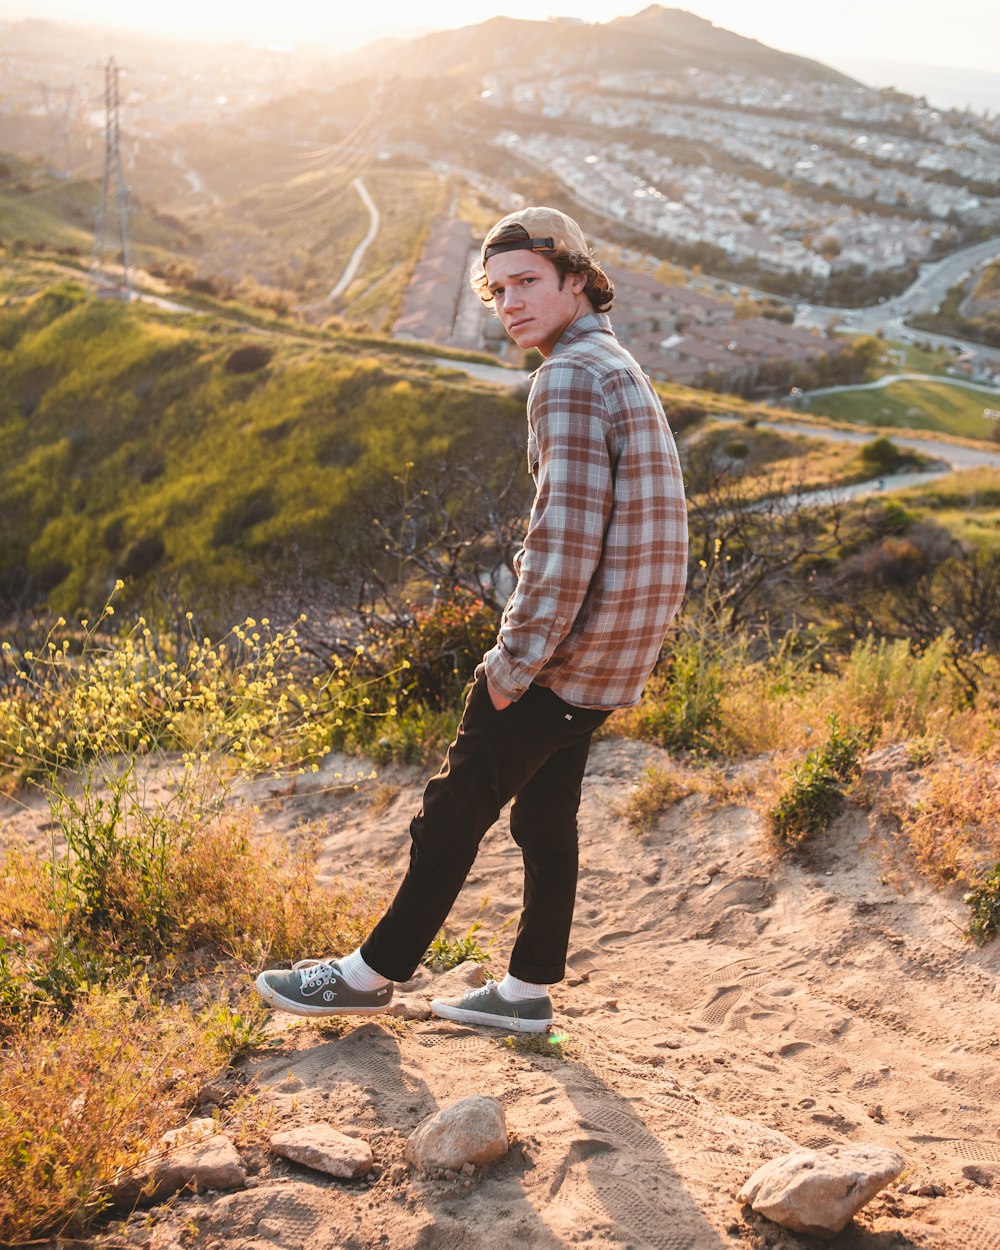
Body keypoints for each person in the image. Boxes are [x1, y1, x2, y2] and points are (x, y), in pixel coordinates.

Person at [256, 207, 688, 1034]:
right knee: (543, 813)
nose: (512, 303)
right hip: (614, 655)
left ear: (575, 277)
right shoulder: (613, 360)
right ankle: (525, 993)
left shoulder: (565, 377)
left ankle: (368, 974)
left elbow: (563, 538)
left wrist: (513, 660)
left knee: (454, 808)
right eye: (496, 291)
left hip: (563, 653)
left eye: (527, 282)